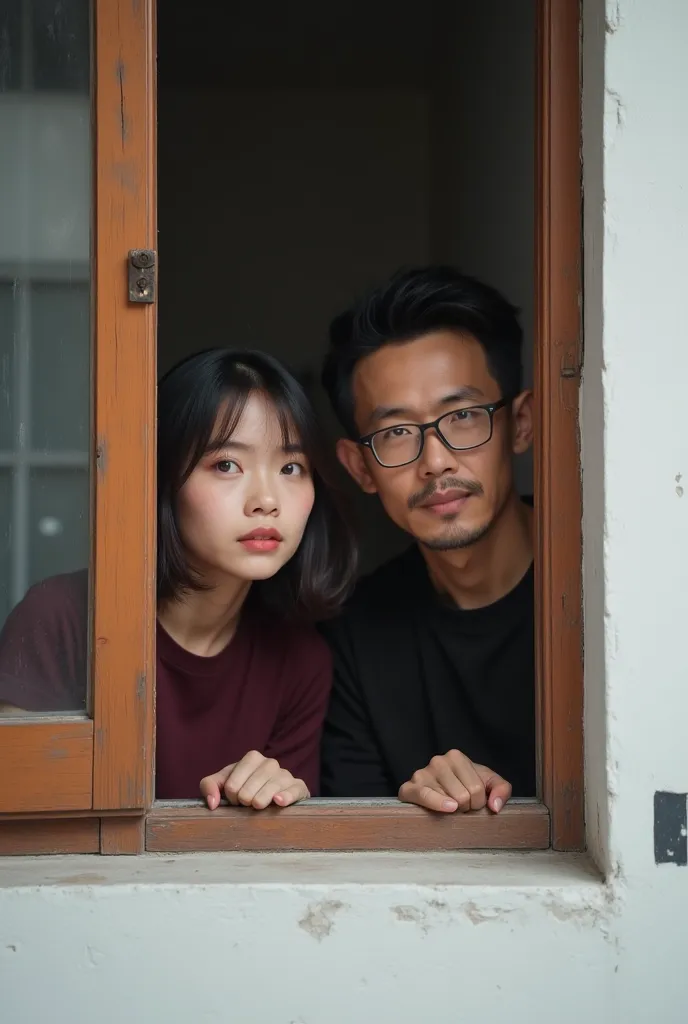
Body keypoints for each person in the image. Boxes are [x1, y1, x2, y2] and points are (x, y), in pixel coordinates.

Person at [0, 349, 356, 809]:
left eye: (291, 468)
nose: (267, 500)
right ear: (162, 477)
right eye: (227, 464)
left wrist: (274, 796)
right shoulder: (63, 618)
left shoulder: (300, 660)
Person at [319, 266, 535, 814]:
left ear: (522, 422)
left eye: (462, 416)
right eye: (395, 433)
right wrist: (411, 811)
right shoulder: (351, 637)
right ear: (360, 468)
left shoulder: (607, 592)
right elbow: (357, 839)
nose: (435, 462)